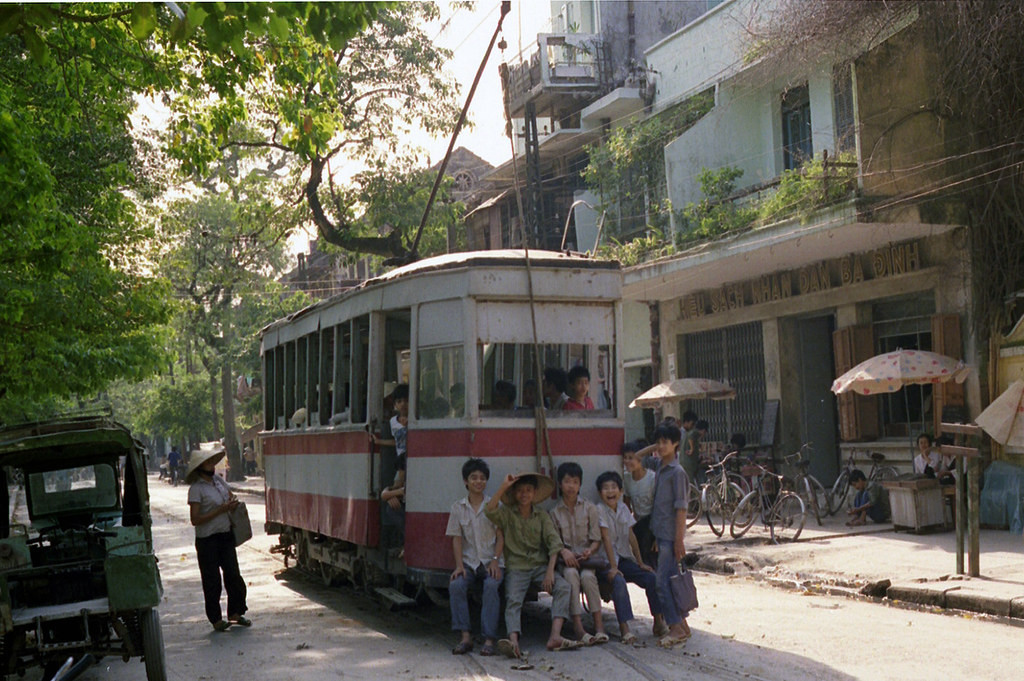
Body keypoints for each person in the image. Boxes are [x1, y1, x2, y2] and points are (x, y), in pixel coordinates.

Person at [485, 473, 581, 658]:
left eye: (528, 490)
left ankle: (555, 635)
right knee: (513, 599)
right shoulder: (507, 513)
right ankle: (513, 641)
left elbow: (554, 543)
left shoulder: (542, 516)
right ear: (514, 494)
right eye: (520, 491)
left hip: (540, 566)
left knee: (563, 587)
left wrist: (550, 572)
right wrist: (504, 487)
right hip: (517, 567)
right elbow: (489, 511)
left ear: (534, 493)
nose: (524, 494)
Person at [595, 470, 665, 643]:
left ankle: (658, 621)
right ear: (599, 493)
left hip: (623, 557)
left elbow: (631, 536)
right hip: (605, 561)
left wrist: (640, 562)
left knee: (650, 577)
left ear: (620, 491)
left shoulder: (623, 508)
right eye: (605, 488)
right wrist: (613, 567)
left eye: (614, 487)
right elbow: (606, 539)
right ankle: (624, 628)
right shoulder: (599, 510)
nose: (610, 492)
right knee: (618, 581)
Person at [186, 445, 250, 631]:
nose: (212, 465)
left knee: (233, 575)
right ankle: (215, 619)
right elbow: (195, 519)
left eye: (212, 461)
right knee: (212, 580)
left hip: (225, 534)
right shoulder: (196, 489)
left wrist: (231, 505)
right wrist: (219, 511)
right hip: (207, 539)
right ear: (200, 466)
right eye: (208, 462)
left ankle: (236, 612)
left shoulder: (219, 482)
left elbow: (230, 496)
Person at [447, 458, 504, 656]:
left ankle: (489, 639)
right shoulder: (457, 507)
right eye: (474, 478)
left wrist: (496, 560)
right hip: (469, 563)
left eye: (482, 478)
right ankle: (465, 637)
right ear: (465, 481)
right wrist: (459, 566)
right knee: (456, 585)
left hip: (491, 561)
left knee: (491, 585)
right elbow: (456, 539)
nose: (478, 482)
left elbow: (501, 536)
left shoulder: (494, 506)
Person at [550, 462, 608, 645]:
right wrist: (564, 551)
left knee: (588, 578)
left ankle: (599, 628)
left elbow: (596, 539)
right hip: (566, 562)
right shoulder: (554, 512)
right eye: (567, 481)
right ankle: (578, 628)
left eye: (575, 482)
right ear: (560, 484)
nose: (571, 486)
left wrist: (590, 550)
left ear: (580, 484)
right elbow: (554, 542)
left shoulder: (589, 508)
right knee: (571, 575)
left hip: (587, 560)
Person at [649, 421, 691, 647]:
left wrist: (679, 540)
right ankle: (682, 624)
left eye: (666, 442)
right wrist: (655, 444)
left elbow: (681, 508)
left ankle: (675, 626)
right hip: (661, 534)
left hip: (670, 537)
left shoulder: (677, 472)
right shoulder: (659, 468)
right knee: (671, 581)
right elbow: (637, 454)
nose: (660, 446)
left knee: (662, 582)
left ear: (676, 444)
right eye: (658, 442)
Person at [374, 384, 409, 551]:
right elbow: (397, 442)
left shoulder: (417, 420)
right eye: (400, 401)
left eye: (407, 401)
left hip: (414, 461)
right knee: (394, 494)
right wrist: (379, 442)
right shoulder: (393, 423)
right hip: (400, 463)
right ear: (395, 404)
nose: (403, 404)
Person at [621, 439, 656, 566]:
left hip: (653, 524)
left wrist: (657, 537)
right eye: (625, 457)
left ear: (640, 459)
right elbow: (626, 506)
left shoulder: (652, 478)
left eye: (631, 458)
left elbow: (658, 508)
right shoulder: (626, 479)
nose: (627, 461)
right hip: (639, 525)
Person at [681, 418, 707, 485]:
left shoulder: (690, 433)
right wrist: (692, 449)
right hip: (688, 462)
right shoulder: (694, 432)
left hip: (686, 461)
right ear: (704, 430)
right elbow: (691, 437)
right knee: (690, 483)